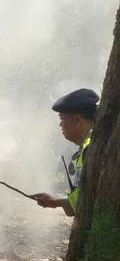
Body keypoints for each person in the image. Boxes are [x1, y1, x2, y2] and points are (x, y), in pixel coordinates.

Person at [31, 88, 99, 216]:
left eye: (62, 119)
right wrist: (58, 202)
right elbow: (83, 201)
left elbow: (87, 205)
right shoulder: (89, 145)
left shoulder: (92, 148)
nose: (60, 125)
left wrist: (59, 202)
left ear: (77, 120)